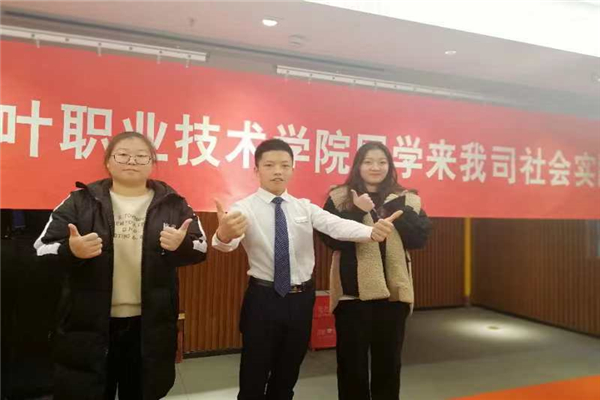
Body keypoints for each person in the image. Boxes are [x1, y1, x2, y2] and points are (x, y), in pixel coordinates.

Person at [212, 138, 401, 400]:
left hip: (301, 299)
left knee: (287, 375)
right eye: (269, 165)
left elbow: (336, 226)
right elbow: (227, 243)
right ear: (256, 170)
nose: (277, 171)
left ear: (292, 169)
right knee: (254, 374)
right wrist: (223, 234)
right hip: (263, 299)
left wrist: (370, 232)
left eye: (284, 165)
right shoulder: (243, 208)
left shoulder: (304, 206)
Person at [34, 131, 208, 400]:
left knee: (141, 391)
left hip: (149, 324)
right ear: (108, 161)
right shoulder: (79, 201)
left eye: (141, 156)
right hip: (90, 323)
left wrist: (181, 246)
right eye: (123, 155)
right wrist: (72, 251)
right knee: (88, 391)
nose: (132, 161)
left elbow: (201, 249)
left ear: (152, 163)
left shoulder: (173, 203)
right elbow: (42, 249)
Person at [319, 141, 432, 400]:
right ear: (358, 165)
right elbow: (330, 240)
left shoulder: (406, 198)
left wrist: (399, 213)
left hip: (394, 297)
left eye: (382, 162)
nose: (375, 167)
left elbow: (420, 239)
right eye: (368, 161)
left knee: (388, 366)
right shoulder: (340, 197)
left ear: (390, 166)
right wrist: (357, 212)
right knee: (351, 367)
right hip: (352, 296)